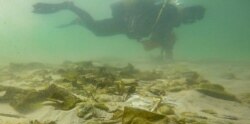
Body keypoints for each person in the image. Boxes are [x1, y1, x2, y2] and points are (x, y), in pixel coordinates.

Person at [33, 0, 205, 59]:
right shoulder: (170, 14)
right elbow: (149, 44)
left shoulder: (168, 12)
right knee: (97, 30)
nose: (189, 22)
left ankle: (78, 18)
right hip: (125, 23)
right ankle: (70, 6)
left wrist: (165, 45)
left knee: (97, 30)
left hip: (127, 25)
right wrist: (163, 45)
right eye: (192, 18)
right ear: (188, 13)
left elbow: (160, 36)